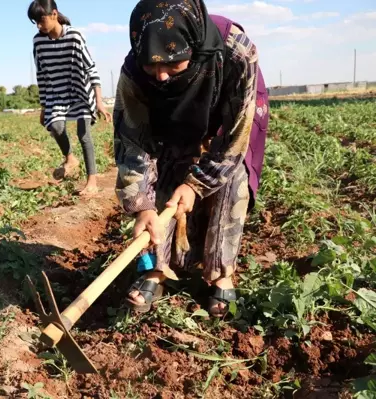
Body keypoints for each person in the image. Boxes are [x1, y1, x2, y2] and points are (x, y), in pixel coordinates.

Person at [114, 0, 269, 317]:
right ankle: (155, 270)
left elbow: (235, 136)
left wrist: (196, 185)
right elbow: (133, 141)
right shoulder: (134, 71)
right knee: (167, 173)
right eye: (150, 65)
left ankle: (222, 273)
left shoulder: (235, 50)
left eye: (173, 64)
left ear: (194, 47)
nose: (160, 76)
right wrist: (141, 204)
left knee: (232, 177)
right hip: (173, 124)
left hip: (229, 121)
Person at [28, 0, 112, 196]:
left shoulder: (74, 36)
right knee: (56, 128)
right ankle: (70, 158)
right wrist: (43, 107)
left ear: (54, 14)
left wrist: (99, 101)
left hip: (80, 92)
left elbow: (91, 68)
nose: (39, 26)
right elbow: (41, 75)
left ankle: (92, 180)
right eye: (35, 23)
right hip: (56, 93)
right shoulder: (38, 42)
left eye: (41, 21)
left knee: (84, 134)